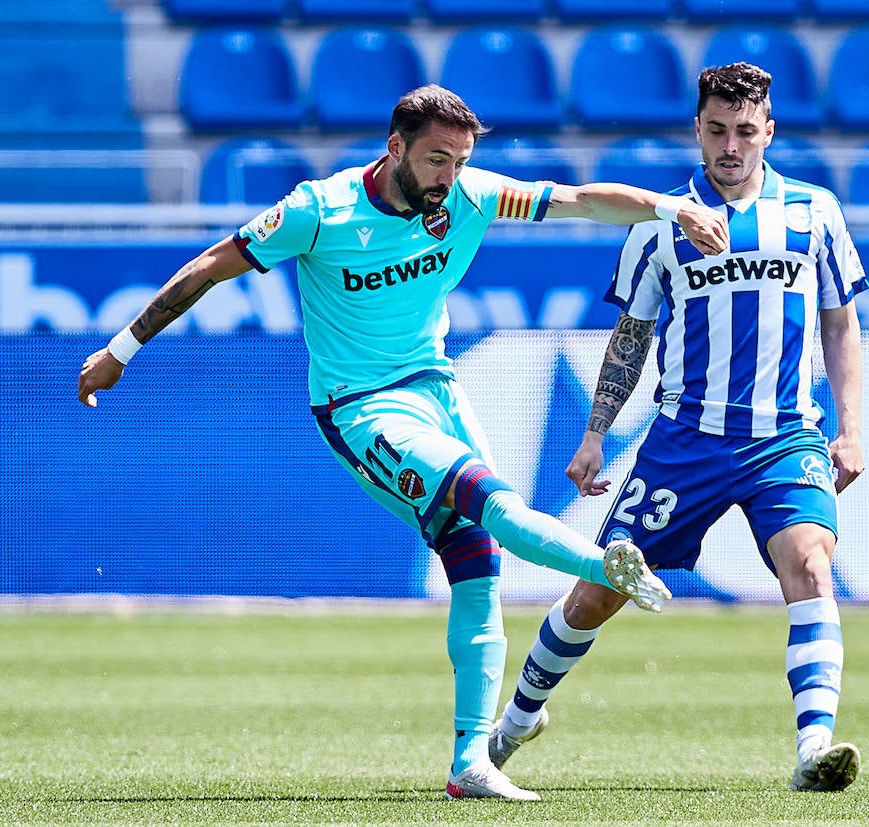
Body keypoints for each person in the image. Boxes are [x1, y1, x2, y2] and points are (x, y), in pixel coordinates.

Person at [76, 84, 730, 803]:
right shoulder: (316, 211)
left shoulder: (474, 196)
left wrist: (673, 208)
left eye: (460, 160)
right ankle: (609, 567)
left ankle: (469, 762)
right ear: (396, 149)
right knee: (495, 506)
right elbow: (209, 266)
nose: (448, 175)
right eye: (436, 159)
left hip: (437, 392)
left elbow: (576, 199)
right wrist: (121, 348)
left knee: (477, 564)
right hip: (361, 412)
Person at [488, 62, 868, 792]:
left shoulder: (813, 212)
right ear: (697, 129)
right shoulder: (660, 224)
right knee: (599, 590)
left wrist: (851, 428)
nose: (731, 146)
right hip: (684, 442)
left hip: (784, 435)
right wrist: (596, 431)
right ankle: (517, 718)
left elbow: (840, 323)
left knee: (812, 563)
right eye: (718, 130)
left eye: (746, 132)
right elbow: (630, 335)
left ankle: (814, 747)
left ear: (769, 132)